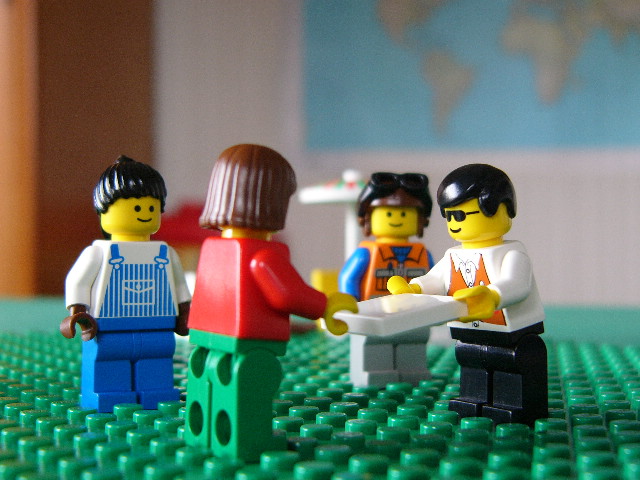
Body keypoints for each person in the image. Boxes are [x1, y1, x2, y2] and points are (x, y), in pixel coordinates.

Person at [184, 144, 357, 461]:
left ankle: (202, 433)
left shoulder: (213, 248)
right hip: (252, 343)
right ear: (270, 201)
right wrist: (327, 306)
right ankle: (248, 441)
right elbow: (287, 293)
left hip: (207, 338)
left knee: (207, 384)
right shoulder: (263, 254)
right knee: (251, 388)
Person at [389, 163, 547, 426]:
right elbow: (437, 279)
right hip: (469, 329)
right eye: (450, 217)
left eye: (461, 215)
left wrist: (491, 296)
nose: (454, 224)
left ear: (500, 209)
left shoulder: (512, 253)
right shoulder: (454, 255)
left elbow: (517, 284)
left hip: (511, 332)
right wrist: (414, 288)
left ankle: (511, 403)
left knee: (509, 364)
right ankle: (474, 399)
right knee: (472, 360)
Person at [61, 156, 191, 412]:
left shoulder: (165, 254)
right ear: (103, 210)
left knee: (156, 362)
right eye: (136, 207)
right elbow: (78, 280)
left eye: (152, 208)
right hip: (109, 326)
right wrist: (78, 310)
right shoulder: (98, 253)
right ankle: (110, 394)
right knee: (110, 362)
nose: (145, 214)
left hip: (158, 325)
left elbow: (179, 287)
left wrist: (184, 312)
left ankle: (156, 392)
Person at [339, 172, 434, 387]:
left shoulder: (423, 254)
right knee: (374, 346)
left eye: (405, 214)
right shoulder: (366, 253)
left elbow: (435, 278)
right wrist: (351, 302)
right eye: (389, 213)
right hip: (373, 312)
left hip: (415, 313)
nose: (397, 219)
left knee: (413, 343)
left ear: (420, 219)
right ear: (368, 218)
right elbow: (348, 277)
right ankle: (375, 375)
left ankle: (412, 372)